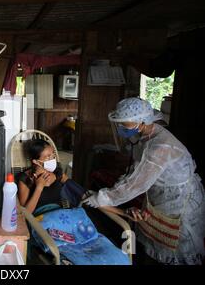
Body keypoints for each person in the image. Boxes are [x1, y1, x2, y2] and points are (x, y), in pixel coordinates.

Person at [83, 97, 205, 265]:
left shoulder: (160, 147)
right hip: (161, 193)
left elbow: (135, 185)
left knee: (178, 248)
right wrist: (115, 189)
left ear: (141, 122)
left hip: (179, 199)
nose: (120, 128)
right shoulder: (146, 135)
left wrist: (101, 198)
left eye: (123, 124)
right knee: (155, 239)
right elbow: (135, 171)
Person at [17, 139, 84, 214]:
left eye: (53, 154)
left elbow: (73, 186)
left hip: (61, 215)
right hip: (40, 220)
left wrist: (88, 196)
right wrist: (39, 187)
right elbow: (25, 214)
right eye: (48, 157)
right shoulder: (25, 179)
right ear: (36, 161)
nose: (53, 159)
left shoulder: (56, 172)